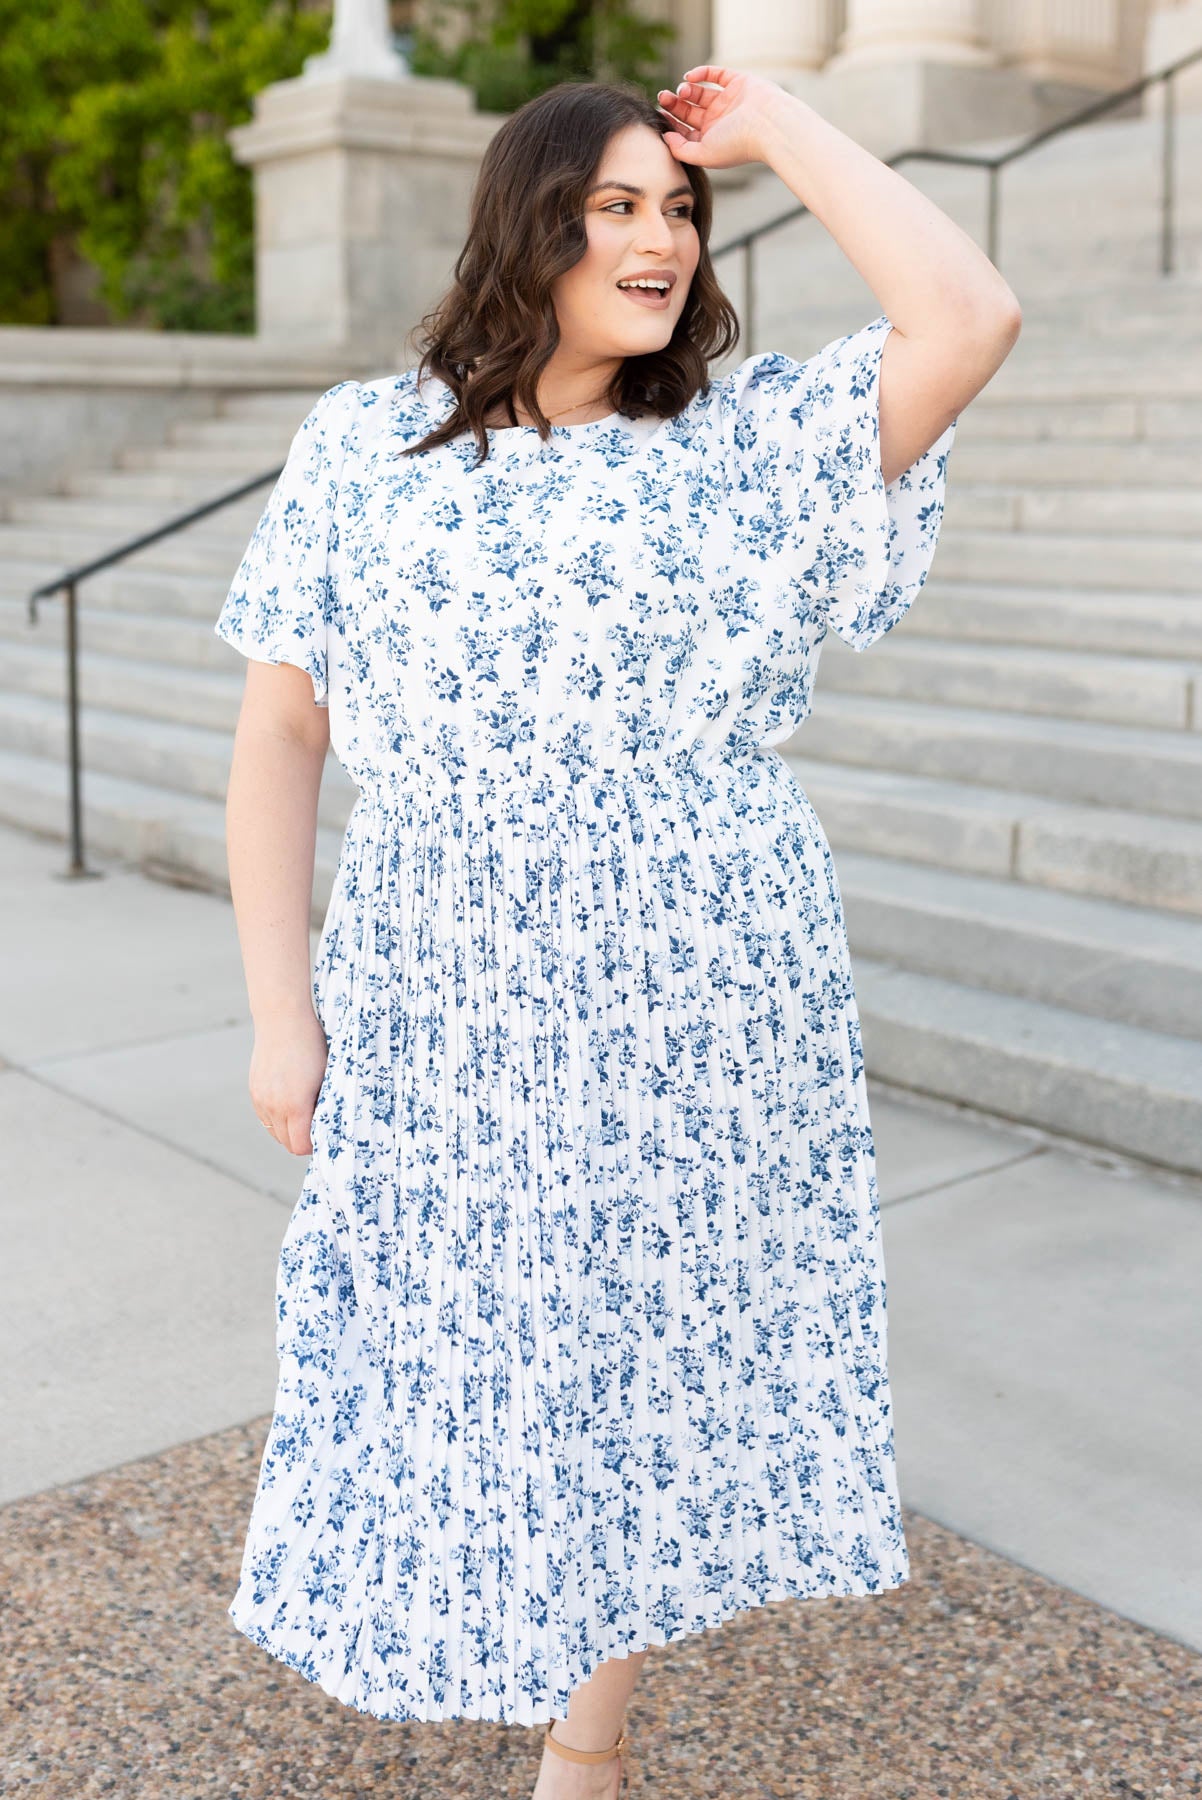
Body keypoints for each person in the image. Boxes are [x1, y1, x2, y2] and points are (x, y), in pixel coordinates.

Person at [215, 64, 1020, 1800]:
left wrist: (785, 126)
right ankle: (491, 1654)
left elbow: (967, 312)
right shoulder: (360, 443)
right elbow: (280, 734)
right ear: (528, 220)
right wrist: (281, 1013)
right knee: (450, 1340)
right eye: (617, 204)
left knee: (622, 1363)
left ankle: (588, 1748)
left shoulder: (738, 445)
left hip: (694, 979)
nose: (660, 237)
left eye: (680, 207)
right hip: (434, 976)